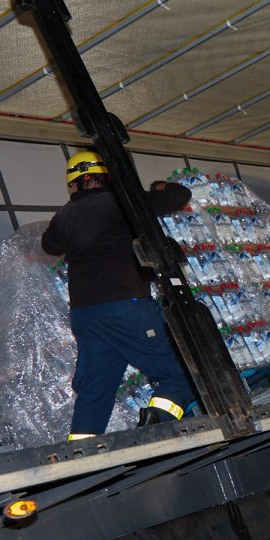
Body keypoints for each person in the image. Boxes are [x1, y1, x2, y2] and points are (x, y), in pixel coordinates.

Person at [41, 152, 196, 440]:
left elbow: (49, 245)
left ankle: (81, 451)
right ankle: (157, 423)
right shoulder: (124, 202)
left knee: (95, 390)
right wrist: (159, 187)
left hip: (86, 316)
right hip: (127, 307)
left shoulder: (63, 215)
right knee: (184, 374)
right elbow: (179, 195)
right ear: (107, 176)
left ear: (74, 184)